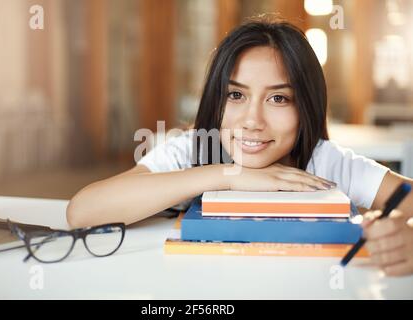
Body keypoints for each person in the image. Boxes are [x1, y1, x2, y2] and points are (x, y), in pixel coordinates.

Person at [66, 15, 413, 276]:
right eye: (236, 95)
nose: (252, 120)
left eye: (278, 98)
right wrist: (226, 175)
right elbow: (82, 211)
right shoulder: (193, 150)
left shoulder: (324, 162)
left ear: (306, 106)